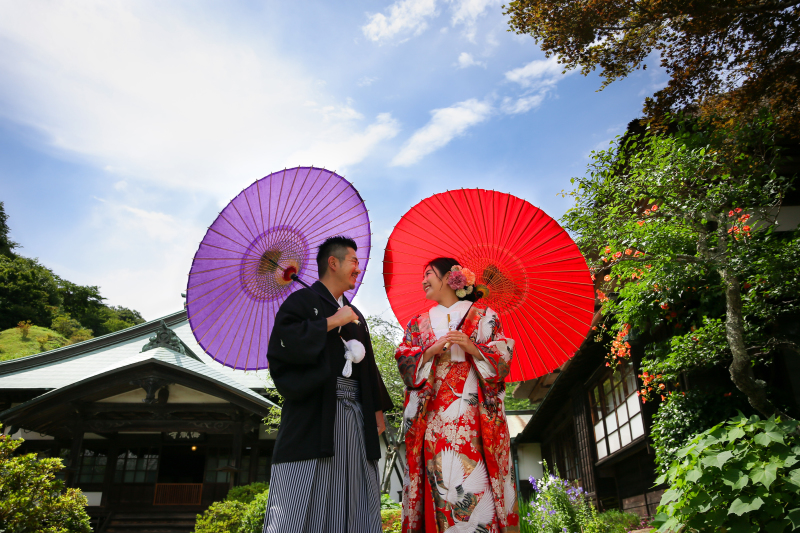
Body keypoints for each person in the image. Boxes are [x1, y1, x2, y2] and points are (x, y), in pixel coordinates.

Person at [263, 236, 394, 533]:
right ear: (333, 263)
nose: (358, 269)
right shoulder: (301, 302)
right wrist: (330, 322)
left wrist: (376, 409)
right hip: (316, 415)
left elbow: (368, 365)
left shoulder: (354, 314)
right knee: (300, 502)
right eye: (354, 261)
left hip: (356, 416)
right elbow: (285, 346)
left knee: (354, 493)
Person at [395, 257, 519, 533]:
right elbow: (404, 360)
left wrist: (473, 348)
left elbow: (503, 358)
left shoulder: (485, 316)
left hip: (474, 420)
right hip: (434, 420)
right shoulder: (418, 323)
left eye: (428, 274)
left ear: (450, 278)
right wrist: (430, 349)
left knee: (475, 482)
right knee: (440, 483)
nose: (423, 280)